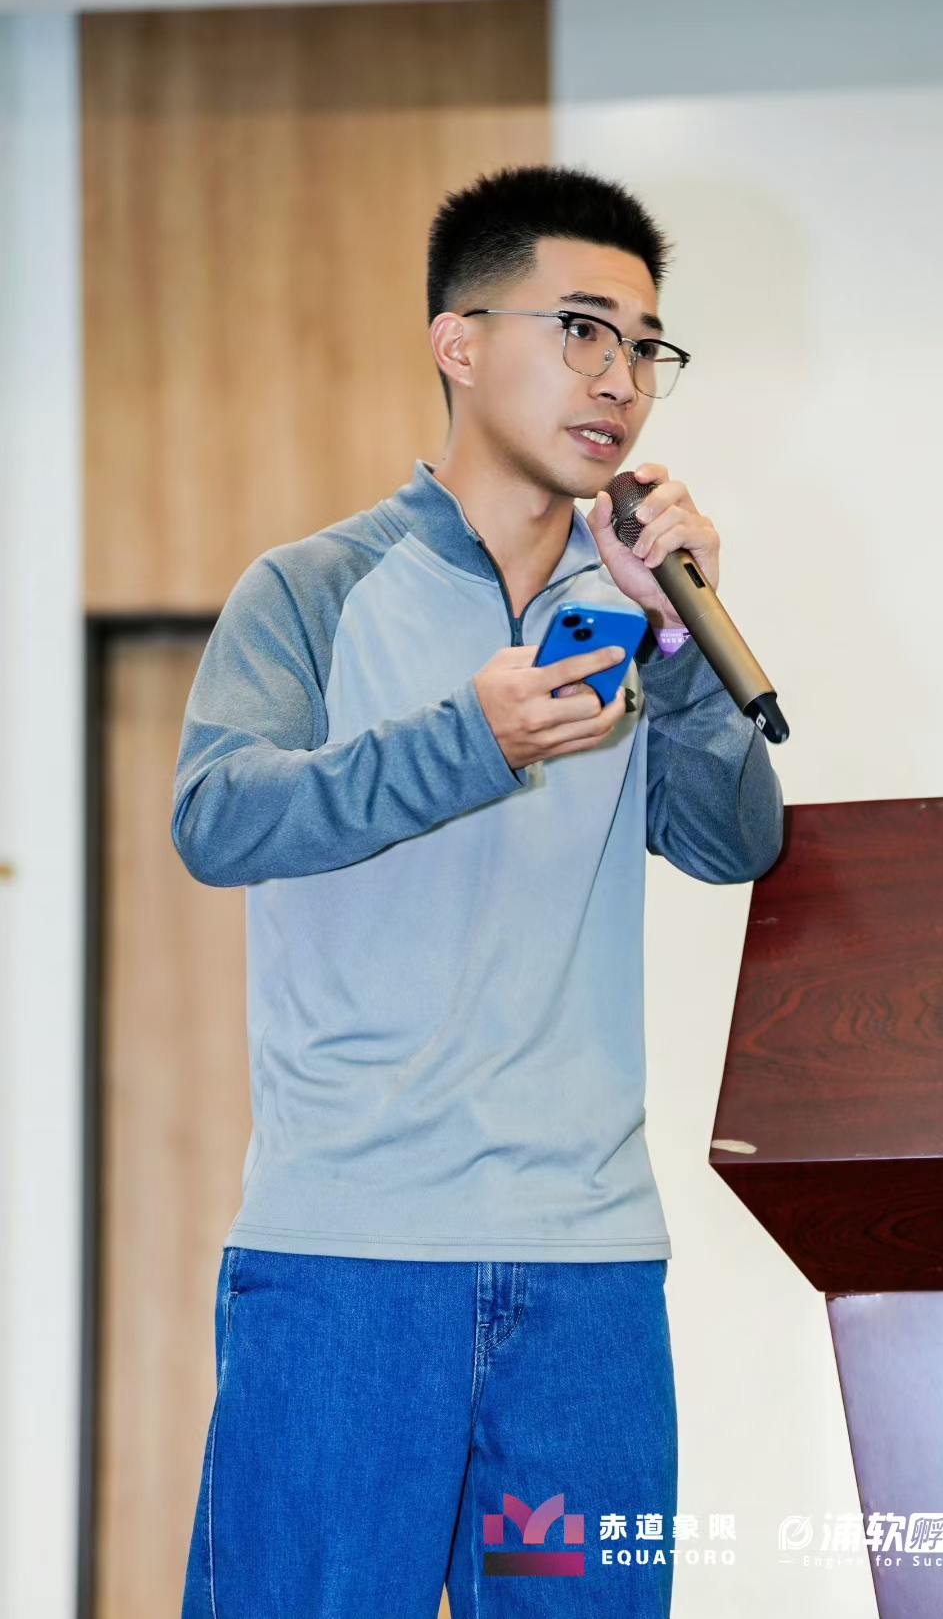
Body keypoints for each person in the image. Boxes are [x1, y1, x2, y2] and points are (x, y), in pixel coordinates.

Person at [175, 162, 784, 1619]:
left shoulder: (636, 605)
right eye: (581, 328)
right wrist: (474, 738)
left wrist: (687, 648)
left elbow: (732, 839)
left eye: (645, 346)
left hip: (586, 1281)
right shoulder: (316, 587)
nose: (620, 379)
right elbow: (217, 812)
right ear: (459, 341)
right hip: (348, 1267)